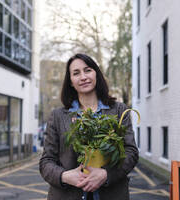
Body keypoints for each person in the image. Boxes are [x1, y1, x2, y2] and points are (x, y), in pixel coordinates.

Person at [39, 53, 139, 200]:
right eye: (76, 73)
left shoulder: (118, 110)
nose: (83, 77)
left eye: (87, 70)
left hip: (111, 194)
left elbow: (131, 152)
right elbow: (46, 162)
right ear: (71, 82)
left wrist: (106, 174)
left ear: (96, 74)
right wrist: (65, 176)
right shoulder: (58, 116)